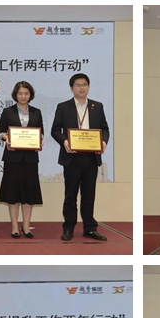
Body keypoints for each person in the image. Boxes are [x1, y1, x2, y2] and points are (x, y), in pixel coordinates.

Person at [50, 73, 110, 242]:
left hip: (91, 158)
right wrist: (65, 141)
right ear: (71, 88)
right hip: (72, 158)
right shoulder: (63, 107)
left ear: (88, 87)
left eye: (84, 84)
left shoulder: (97, 106)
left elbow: (105, 129)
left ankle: (90, 228)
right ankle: (68, 228)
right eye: (77, 85)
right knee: (70, 195)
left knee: (89, 195)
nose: (81, 88)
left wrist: (103, 141)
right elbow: (55, 130)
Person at [0, 81, 43, 238]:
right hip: (13, 158)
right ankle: (15, 226)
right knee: (13, 194)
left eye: (26, 93)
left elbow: (41, 132)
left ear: (30, 95)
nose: (23, 96)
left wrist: (40, 139)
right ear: (15, 95)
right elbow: (1, 132)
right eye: (20, 93)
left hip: (30, 158)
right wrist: (6, 137)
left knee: (28, 195)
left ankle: (27, 226)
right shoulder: (7, 111)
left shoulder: (36, 112)